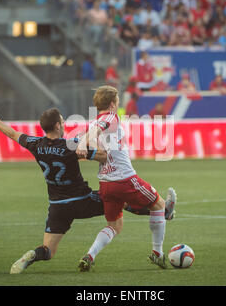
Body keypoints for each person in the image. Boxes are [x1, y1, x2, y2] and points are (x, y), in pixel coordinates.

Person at [0, 104, 174, 274]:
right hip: (82, 200)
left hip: (57, 206)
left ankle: (32, 255)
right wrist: (88, 144)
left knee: (48, 251)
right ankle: (163, 212)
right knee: (118, 201)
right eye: (62, 121)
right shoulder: (70, 145)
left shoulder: (36, 144)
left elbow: (11, 133)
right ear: (58, 125)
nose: (64, 123)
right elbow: (102, 157)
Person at [76, 85, 177, 271]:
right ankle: (157, 253)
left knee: (115, 225)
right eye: (118, 101)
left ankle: (90, 255)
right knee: (159, 204)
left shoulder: (92, 122)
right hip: (124, 179)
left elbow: (93, 141)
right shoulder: (110, 117)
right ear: (113, 104)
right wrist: (83, 142)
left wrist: (83, 143)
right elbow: (95, 131)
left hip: (106, 183)